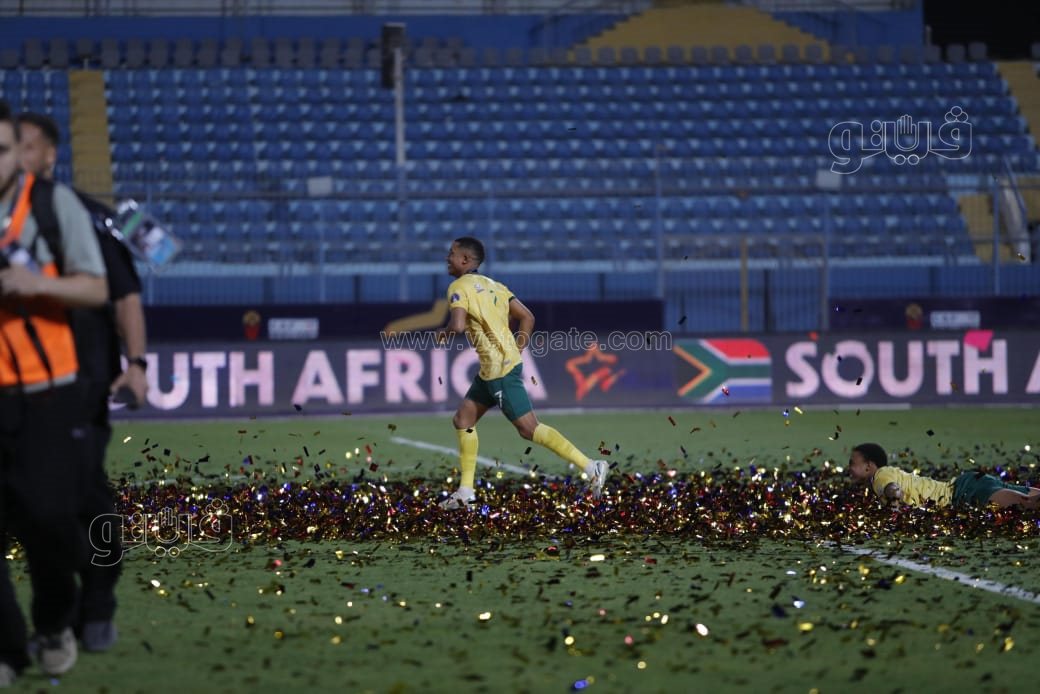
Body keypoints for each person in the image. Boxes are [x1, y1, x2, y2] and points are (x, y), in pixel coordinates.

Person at [17, 111, 149, 653]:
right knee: (37, 505)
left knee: (86, 498)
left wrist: (136, 363)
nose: (16, 155)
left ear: (50, 155)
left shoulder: (89, 217)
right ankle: (63, 610)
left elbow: (125, 297)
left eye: (26, 146)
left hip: (83, 382)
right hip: (20, 385)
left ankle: (97, 602)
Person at [0, 100, 108, 684]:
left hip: (46, 394)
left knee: (48, 522)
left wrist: (34, 283)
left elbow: (96, 288)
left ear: (17, 155)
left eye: (0, 150)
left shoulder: (51, 204)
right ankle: (8, 649)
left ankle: (53, 622)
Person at [435, 237, 608, 509]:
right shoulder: (496, 286)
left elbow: (457, 326)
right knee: (463, 419)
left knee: (529, 429)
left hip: (499, 371)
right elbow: (527, 317)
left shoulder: (458, 287)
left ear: (465, 260)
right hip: (495, 368)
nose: (448, 258)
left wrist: (443, 333)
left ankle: (590, 466)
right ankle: (465, 492)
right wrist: (517, 349)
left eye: (452, 253)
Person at [848, 442, 1040, 509]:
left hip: (961, 494)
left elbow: (893, 490)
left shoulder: (880, 476)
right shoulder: (887, 473)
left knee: (1027, 504)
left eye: (852, 463)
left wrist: (894, 512)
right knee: (1031, 496)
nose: (849, 468)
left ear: (869, 466)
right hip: (969, 484)